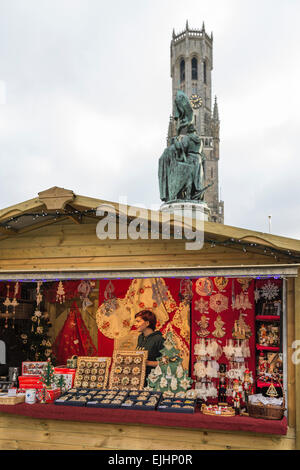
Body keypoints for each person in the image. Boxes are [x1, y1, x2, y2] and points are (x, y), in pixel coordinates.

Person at [135, 310, 164, 380]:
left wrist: (148, 363)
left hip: (153, 380)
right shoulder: (140, 337)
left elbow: (167, 362)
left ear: (147, 323)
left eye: (138, 321)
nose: (135, 324)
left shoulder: (159, 339)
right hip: (140, 378)